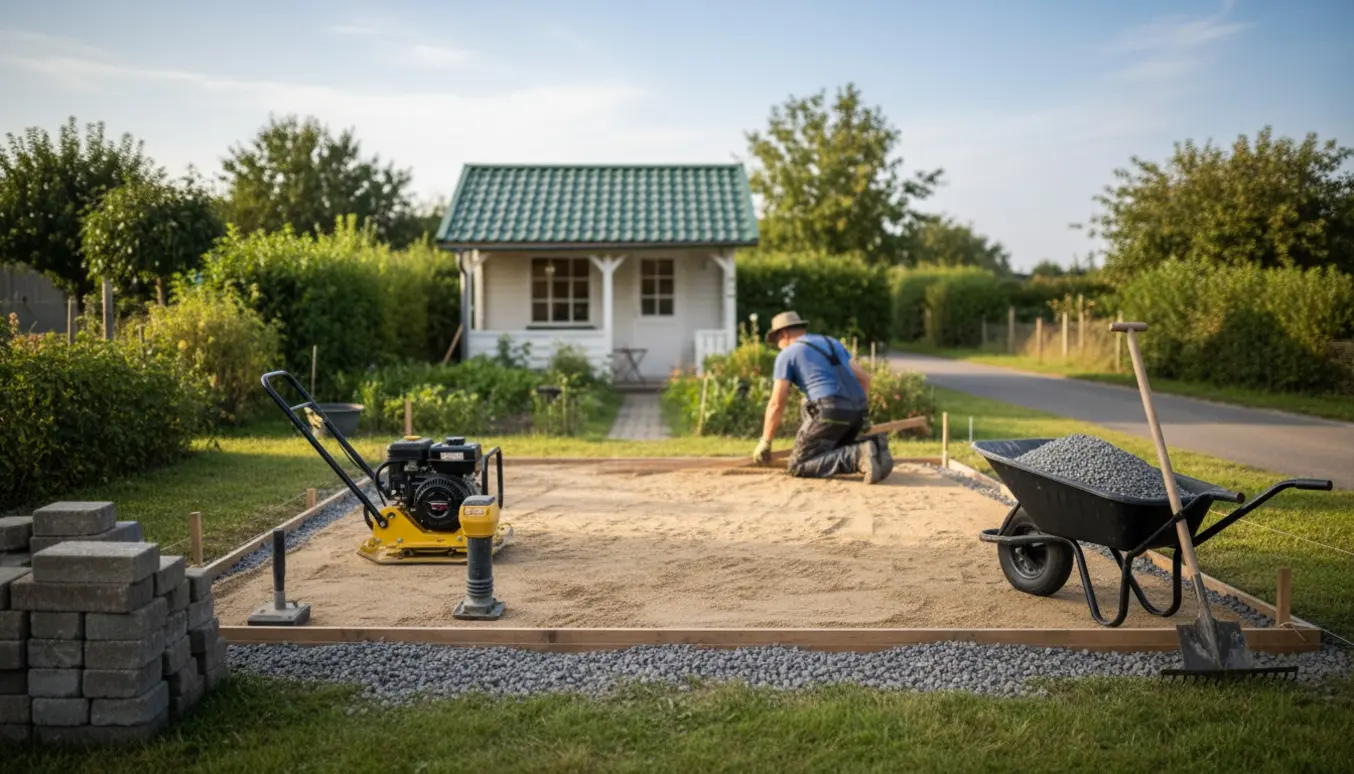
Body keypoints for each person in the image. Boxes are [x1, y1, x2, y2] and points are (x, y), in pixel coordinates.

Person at [753, 311, 893, 483]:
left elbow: (776, 403)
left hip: (830, 410)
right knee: (829, 446)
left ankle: (858, 455)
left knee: (799, 464)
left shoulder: (788, 353)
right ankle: (876, 448)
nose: (778, 346)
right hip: (856, 412)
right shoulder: (831, 343)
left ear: (783, 334)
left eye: (777, 342)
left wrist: (765, 441)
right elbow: (864, 379)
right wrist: (862, 415)